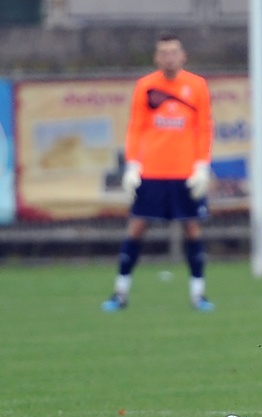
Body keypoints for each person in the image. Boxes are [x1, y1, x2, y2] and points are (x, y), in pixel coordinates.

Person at [101, 32, 214, 312]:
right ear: (156, 57)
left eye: (173, 52)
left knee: (192, 228)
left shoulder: (197, 86)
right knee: (137, 227)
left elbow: (204, 128)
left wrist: (201, 164)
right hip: (152, 171)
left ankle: (198, 295)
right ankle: (120, 292)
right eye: (163, 53)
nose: (169, 57)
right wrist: (133, 164)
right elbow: (136, 127)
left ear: (183, 55)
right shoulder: (146, 86)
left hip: (185, 173)